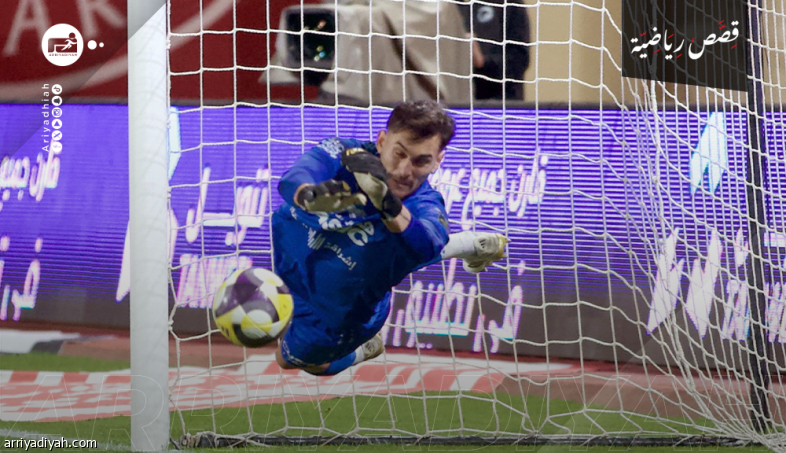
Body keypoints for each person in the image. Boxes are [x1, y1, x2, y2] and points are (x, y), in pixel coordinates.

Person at [272, 100, 508, 376]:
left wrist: (385, 201)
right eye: (399, 153)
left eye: (421, 161)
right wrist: (309, 196)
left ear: (438, 161)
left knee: (288, 360)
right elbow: (295, 176)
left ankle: (363, 350)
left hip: (339, 308)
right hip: (294, 255)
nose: (404, 171)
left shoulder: (426, 205)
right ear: (382, 141)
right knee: (389, 247)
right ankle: (470, 244)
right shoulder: (347, 153)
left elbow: (426, 244)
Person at [460, 0, 530, 101]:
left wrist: (482, 63)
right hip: (454, 100)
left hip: (499, 102)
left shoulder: (509, 4)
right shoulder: (448, 6)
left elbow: (519, 61)